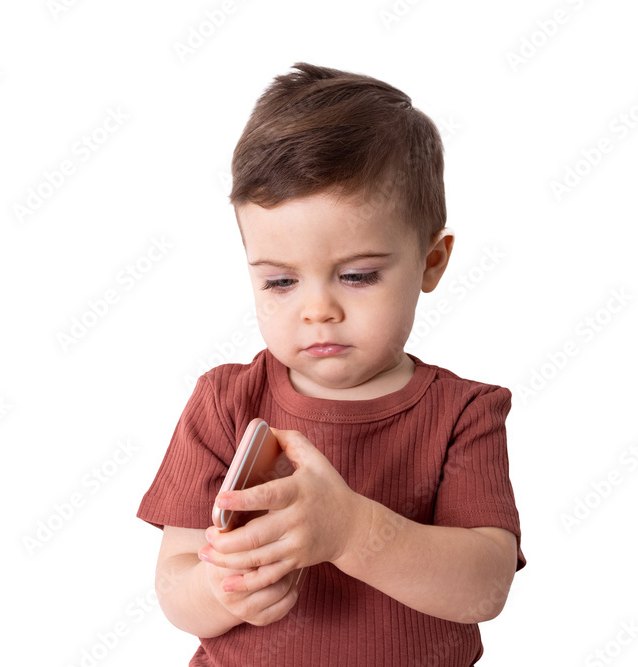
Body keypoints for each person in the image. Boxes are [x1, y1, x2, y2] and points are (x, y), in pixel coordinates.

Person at [136, 62, 526, 666]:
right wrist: (223, 588)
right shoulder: (224, 401)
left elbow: (486, 587)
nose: (318, 310)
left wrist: (352, 532)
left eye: (357, 275)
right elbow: (174, 585)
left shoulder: (464, 414)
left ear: (431, 261)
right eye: (280, 281)